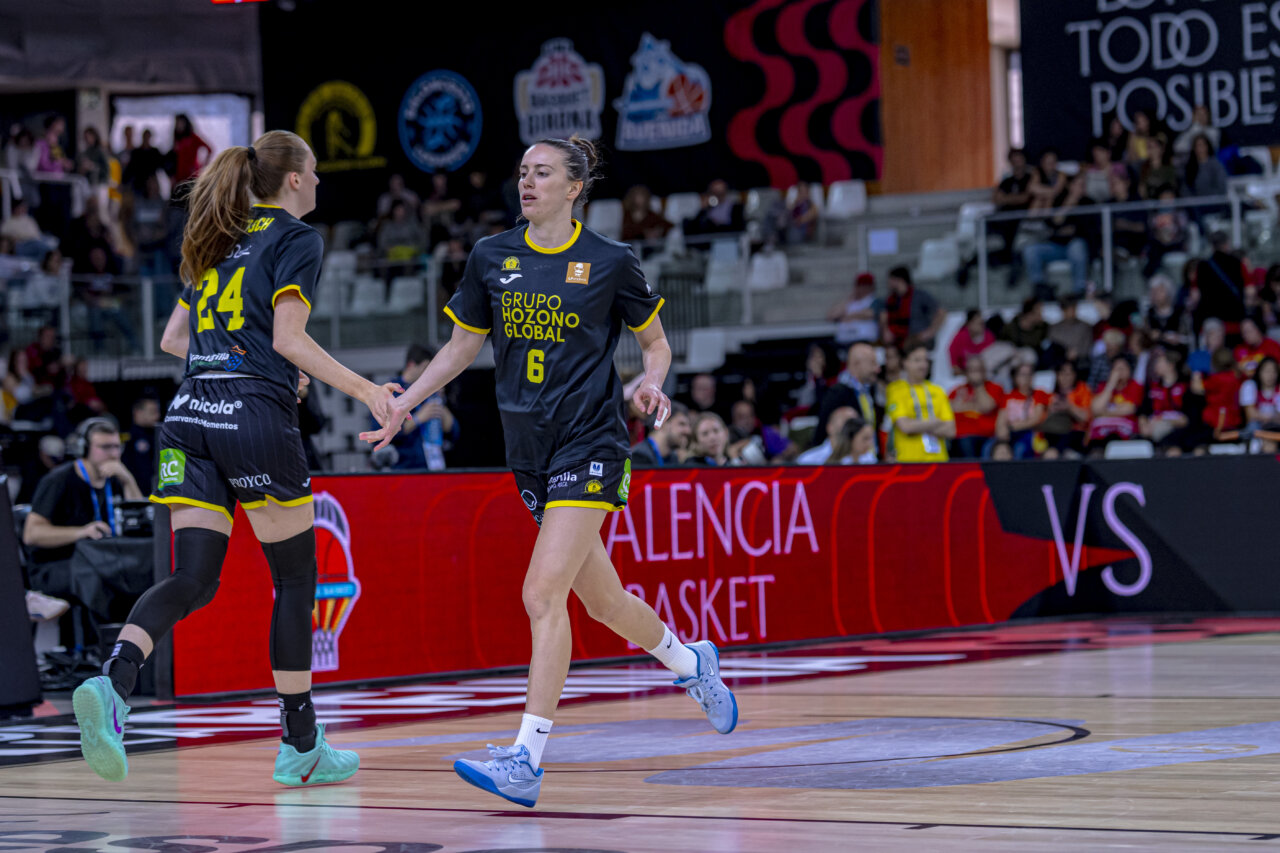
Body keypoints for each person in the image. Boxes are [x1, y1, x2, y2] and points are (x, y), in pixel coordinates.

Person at [360, 135, 738, 808]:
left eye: (541, 173)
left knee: (541, 594)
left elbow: (655, 342)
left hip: (591, 442)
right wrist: (404, 403)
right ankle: (692, 661)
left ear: (574, 187)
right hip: (529, 453)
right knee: (604, 602)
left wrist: (652, 382)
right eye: (522, 172)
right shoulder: (491, 256)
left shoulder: (610, 260)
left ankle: (526, 760)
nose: (527, 183)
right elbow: (460, 347)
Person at [71, 131, 399, 788]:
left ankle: (114, 681)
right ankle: (301, 744)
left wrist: (253, 359)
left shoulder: (216, 233)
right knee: (296, 581)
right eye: (315, 170)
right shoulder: (297, 238)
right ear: (295, 179)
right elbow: (289, 338)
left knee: (193, 577)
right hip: (251, 418)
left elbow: (175, 338)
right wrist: (367, 390)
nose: (319, 181)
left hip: (188, 417)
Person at [22, 418, 143, 649]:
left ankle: (134, 647)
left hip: (103, 561)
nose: (113, 454)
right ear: (83, 448)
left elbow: (140, 518)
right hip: (54, 565)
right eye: (105, 447)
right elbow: (32, 533)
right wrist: (82, 532)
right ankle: (96, 649)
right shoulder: (58, 480)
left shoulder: (117, 479)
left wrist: (128, 479)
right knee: (98, 579)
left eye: (116, 447)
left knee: (138, 573)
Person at [379, 343, 459, 470]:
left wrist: (439, 402)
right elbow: (381, 435)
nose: (430, 374)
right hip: (404, 469)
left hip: (435, 466)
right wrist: (418, 419)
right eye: (426, 368)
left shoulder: (431, 391)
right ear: (411, 365)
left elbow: (453, 432)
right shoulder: (390, 392)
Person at [886, 344, 954, 462]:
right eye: (917, 360)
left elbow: (951, 430)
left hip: (939, 460)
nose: (923, 365)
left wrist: (916, 425)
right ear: (905, 363)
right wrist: (936, 422)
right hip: (908, 461)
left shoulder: (938, 391)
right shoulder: (895, 389)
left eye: (925, 360)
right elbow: (905, 427)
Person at [948, 356, 1003, 458]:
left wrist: (978, 385)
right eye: (971, 370)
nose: (975, 374)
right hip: (958, 437)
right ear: (966, 373)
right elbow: (949, 409)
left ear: (984, 372)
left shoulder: (994, 388)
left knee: (967, 443)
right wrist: (976, 407)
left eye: (978, 370)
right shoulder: (956, 391)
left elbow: (986, 407)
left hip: (985, 437)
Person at [1087, 356, 1144, 450]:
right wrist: (1111, 384)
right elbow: (1096, 408)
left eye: (1122, 369)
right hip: (1100, 435)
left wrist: (1103, 412)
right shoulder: (1103, 387)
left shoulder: (1135, 386)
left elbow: (1130, 409)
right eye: (1116, 369)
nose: (1118, 372)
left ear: (1129, 371)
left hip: (1124, 433)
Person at [996, 362, 1050, 458]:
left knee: (1019, 448)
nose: (1026, 378)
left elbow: (1036, 419)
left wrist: (1013, 426)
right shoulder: (1008, 397)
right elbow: (1001, 420)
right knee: (992, 447)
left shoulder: (1039, 394)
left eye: (1029, 374)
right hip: (1010, 435)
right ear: (1015, 377)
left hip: (1031, 434)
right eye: (1023, 374)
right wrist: (1002, 431)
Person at [881, 266, 942, 350]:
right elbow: (885, 317)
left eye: (891, 279)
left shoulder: (919, 296)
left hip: (919, 339)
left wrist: (931, 331)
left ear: (900, 280)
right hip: (899, 340)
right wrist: (886, 330)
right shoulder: (892, 300)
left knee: (915, 349)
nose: (888, 283)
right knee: (890, 351)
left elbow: (941, 312)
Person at [828, 272, 883, 347]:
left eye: (865, 286)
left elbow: (870, 314)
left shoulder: (874, 301)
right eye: (859, 285)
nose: (862, 288)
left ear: (871, 287)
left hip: (863, 339)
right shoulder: (850, 302)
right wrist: (849, 299)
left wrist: (848, 316)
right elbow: (832, 316)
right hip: (844, 340)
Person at [630, 401, 691, 467]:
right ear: (663, 424)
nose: (688, 431)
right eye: (681, 424)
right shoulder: (639, 456)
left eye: (689, 425)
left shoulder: (674, 458)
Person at [167, 114, 211, 187]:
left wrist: (202, 165)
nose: (178, 125)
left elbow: (209, 149)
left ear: (185, 123)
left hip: (191, 175)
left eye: (180, 123)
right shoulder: (178, 139)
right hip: (179, 176)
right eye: (177, 123)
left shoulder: (193, 137)